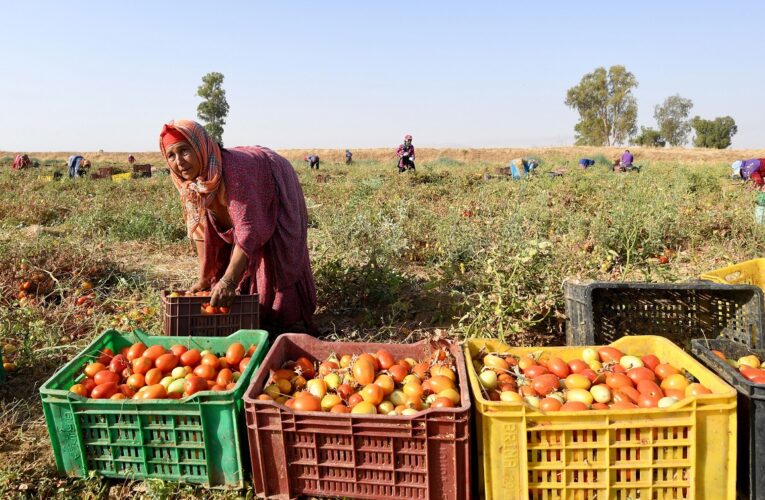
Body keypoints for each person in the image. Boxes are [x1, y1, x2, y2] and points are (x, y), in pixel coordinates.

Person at [160, 119, 317, 333]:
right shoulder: (187, 182)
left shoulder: (235, 171)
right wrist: (205, 277)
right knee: (230, 268)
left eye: (185, 151)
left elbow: (249, 229)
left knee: (276, 253)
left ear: (201, 148)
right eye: (171, 155)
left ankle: (287, 319)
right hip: (247, 196)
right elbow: (200, 229)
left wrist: (229, 281)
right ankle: (254, 308)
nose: (179, 161)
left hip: (273, 178)